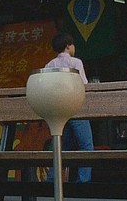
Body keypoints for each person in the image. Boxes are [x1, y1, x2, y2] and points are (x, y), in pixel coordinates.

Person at [44, 32, 94, 183]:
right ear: (68, 46)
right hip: (75, 108)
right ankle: (83, 182)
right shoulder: (75, 62)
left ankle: (52, 180)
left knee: (62, 147)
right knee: (86, 146)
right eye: (73, 45)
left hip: (58, 112)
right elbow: (83, 84)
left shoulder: (49, 65)